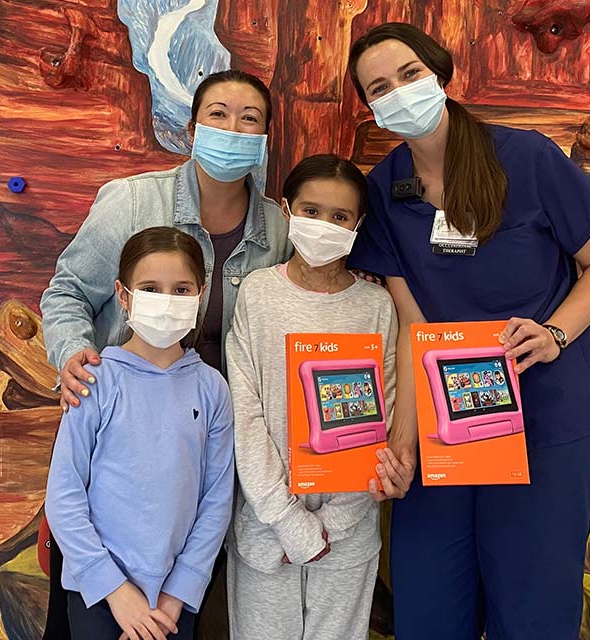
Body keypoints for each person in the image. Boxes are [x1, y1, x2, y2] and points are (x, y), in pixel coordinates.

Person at [345, 22, 590, 640]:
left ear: (441, 75)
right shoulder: (384, 193)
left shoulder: (525, 158)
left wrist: (554, 333)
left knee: (533, 613)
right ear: (370, 108)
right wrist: (403, 445)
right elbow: (410, 323)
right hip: (444, 429)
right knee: (429, 609)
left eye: (409, 75)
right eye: (379, 87)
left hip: (544, 426)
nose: (398, 91)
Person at [40, 69, 289, 638]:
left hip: (205, 445)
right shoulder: (132, 201)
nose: (232, 127)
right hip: (118, 439)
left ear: (265, 139)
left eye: (249, 118)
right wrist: (75, 356)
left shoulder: (277, 227)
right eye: (218, 113)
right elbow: (67, 292)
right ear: (192, 127)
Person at [224, 155, 397, 640]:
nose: (324, 225)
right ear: (286, 210)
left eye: (340, 217)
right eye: (311, 211)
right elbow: (246, 413)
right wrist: (285, 518)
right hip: (265, 528)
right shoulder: (257, 295)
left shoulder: (375, 306)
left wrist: (335, 522)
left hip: (349, 532)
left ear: (358, 224)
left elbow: (382, 415)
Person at [45, 227, 234, 640]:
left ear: (201, 293)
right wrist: (114, 590)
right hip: (98, 593)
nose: (166, 301)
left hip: (174, 600)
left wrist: (179, 592)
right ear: (123, 294)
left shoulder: (212, 388)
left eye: (181, 289)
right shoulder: (94, 380)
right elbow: (64, 492)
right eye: (151, 288)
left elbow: (216, 498)